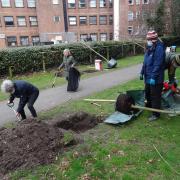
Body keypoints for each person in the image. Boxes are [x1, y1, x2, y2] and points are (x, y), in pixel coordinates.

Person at [140, 30, 165, 121]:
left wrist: (153, 77)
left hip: (156, 78)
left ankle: (156, 114)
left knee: (155, 95)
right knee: (148, 93)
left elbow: (157, 64)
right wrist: (142, 72)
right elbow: (145, 62)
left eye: (148, 40)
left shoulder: (159, 48)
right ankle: (150, 107)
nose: (147, 41)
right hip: (148, 77)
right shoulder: (150, 48)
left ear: (153, 39)